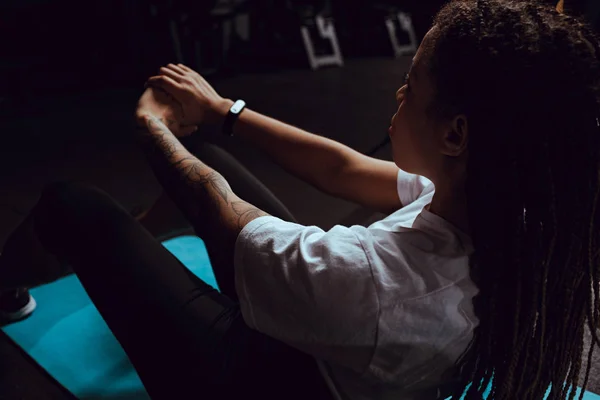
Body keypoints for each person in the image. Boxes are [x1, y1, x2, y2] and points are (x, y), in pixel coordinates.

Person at [0, 0, 599, 398]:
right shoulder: (496, 208)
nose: (398, 90)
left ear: (455, 133)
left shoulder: (378, 281)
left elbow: (222, 214)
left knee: (73, 205)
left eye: (412, 83)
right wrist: (223, 113)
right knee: (210, 162)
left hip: (251, 379)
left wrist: (151, 128)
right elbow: (342, 167)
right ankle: (135, 257)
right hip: (341, 343)